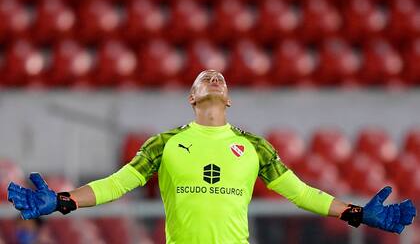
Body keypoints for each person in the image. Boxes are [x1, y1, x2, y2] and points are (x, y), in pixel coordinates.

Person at [7, 70, 417, 243]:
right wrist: (64, 201)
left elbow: (301, 192)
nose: (213, 75)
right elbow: (118, 183)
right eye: (203, 78)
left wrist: (358, 213)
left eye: (218, 77)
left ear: (229, 98)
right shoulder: (163, 143)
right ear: (192, 97)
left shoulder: (256, 146)